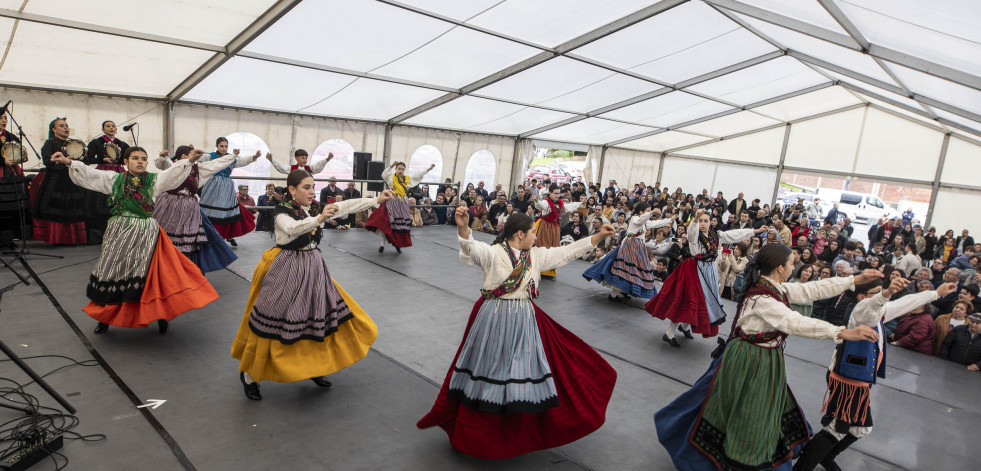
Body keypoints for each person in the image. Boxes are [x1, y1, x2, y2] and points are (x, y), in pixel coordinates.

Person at [654, 244, 883, 471]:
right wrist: (841, 332)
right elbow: (794, 322)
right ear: (780, 267)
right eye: (792, 263)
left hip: (765, 359)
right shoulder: (763, 298)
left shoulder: (773, 287)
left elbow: (811, 290)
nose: (794, 267)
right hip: (750, 360)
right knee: (747, 411)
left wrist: (853, 280)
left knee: (751, 407)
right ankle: (734, 461)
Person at [417, 206, 617, 459]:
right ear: (520, 234)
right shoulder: (493, 253)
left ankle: (515, 430)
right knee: (491, 370)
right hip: (494, 319)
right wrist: (463, 228)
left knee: (518, 373)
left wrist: (598, 237)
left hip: (524, 319)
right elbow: (472, 248)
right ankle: (483, 432)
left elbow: (565, 252)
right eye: (533, 232)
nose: (536, 237)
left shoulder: (535, 256)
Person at [231, 170, 392, 400]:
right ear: (292, 190)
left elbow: (346, 206)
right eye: (306, 187)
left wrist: (376, 200)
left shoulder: (315, 207)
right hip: (286, 268)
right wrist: (319, 219)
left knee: (317, 318)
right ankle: (249, 374)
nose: (311, 191)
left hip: (314, 267)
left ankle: (313, 367)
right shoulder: (281, 211)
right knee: (271, 321)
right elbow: (292, 229)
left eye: (313, 186)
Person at [52, 147, 219, 334]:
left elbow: (172, 174)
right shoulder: (114, 180)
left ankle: (160, 317)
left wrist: (189, 161)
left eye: (144, 159)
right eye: (135, 158)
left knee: (151, 275)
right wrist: (68, 162)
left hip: (146, 232)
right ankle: (104, 318)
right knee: (112, 270)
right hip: (120, 231)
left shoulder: (153, 181)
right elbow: (91, 174)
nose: (140, 161)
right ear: (125, 161)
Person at [794, 278, 955, 471]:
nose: (882, 295)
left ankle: (826, 458)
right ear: (862, 297)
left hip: (860, 383)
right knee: (837, 428)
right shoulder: (861, 313)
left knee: (860, 428)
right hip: (848, 382)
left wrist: (936, 293)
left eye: (882, 291)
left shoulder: (880, 313)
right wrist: (885, 293)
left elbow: (903, 303)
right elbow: (871, 306)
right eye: (877, 291)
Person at [646, 209, 766, 346]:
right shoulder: (695, 234)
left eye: (705, 221)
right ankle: (669, 333)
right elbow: (691, 233)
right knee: (687, 300)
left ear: (710, 223)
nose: (703, 223)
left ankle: (684, 327)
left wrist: (754, 231)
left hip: (709, 271)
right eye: (701, 221)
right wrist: (695, 219)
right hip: (694, 270)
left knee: (701, 301)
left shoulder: (715, 235)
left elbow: (733, 235)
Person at [153, 146, 238, 273]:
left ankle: (188, 272)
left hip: (189, 207)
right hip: (170, 206)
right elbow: (163, 168)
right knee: (166, 238)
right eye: (192, 155)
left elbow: (215, 164)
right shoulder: (173, 166)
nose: (196, 158)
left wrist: (232, 156)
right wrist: (163, 157)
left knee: (191, 239)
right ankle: (164, 270)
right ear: (183, 156)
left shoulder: (198, 169)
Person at [583, 202, 673, 300]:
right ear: (641, 211)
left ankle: (624, 290)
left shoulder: (645, 221)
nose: (648, 213)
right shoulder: (635, 218)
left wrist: (670, 219)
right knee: (624, 269)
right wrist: (651, 212)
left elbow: (655, 223)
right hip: (630, 247)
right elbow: (639, 221)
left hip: (638, 248)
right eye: (647, 211)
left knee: (633, 271)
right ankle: (614, 294)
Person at [31, 117, 94, 245]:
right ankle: (57, 238)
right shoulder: (51, 143)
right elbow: (47, 161)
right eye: (61, 126)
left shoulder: (74, 143)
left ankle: (72, 238)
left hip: (72, 179)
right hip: (56, 180)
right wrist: (64, 162)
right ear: (53, 129)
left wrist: (78, 160)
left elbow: (85, 161)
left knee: (72, 207)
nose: (66, 128)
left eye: (66, 125)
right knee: (57, 208)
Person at [197, 137, 260, 246]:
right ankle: (208, 236)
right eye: (221, 146)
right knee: (210, 211)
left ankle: (227, 235)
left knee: (227, 212)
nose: (224, 148)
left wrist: (254, 157)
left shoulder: (231, 157)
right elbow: (198, 160)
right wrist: (192, 153)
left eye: (226, 146)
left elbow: (242, 161)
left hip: (226, 186)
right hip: (212, 186)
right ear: (217, 146)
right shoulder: (209, 156)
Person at [366, 161, 433, 254]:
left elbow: (418, 175)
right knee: (386, 222)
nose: (400, 170)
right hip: (392, 202)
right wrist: (392, 165)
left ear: (404, 170)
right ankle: (382, 244)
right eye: (399, 169)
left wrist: (428, 169)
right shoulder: (391, 178)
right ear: (396, 169)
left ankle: (397, 244)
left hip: (402, 203)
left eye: (402, 169)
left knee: (400, 225)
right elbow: (384, 174)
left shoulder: (407, 179)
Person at [533, 184, 582, 278]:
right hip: (545, 226)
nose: (557, 195)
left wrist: (580, 203)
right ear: (550, 193)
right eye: (555, 193)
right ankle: (540, 269)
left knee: (553, 248)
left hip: (554, 228)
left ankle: (548, 271)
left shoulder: (560, 203)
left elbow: (568, 206)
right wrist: (537, 201)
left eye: (559, 193)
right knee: (543, 246)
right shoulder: (546, 202)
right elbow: (540, 205)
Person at [0, 110, 28, 249]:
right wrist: (2, 160)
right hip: (1, 173)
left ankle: (7, 239)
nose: (4, 120)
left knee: (11, 208)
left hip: (11, 174)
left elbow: (20, 151)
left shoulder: (11, 136)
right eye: (0, 118)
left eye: (5, 118)